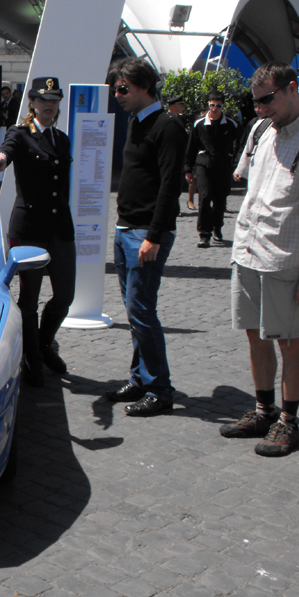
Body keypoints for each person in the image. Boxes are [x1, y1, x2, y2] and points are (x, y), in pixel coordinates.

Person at [221, 62, 299, 457]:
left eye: (267, 99)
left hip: (285, 258)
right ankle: (264, 410)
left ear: (292, 88)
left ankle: (288, 422)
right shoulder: (260, 129)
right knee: (253, 334)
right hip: (247, 249)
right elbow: (246, 181)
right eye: (255, 101)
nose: (260, 108)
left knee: (287, 340)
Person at [105, 57, 186, 416]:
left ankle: (159, 389)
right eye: (116, 89)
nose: (118, 95)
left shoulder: (168, 126)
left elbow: (170, 185)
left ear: (144, 87)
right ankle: (140, 377)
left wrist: (153, 236)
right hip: (126, 228)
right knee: (134, 309)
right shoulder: (135, 122)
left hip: (145, 234)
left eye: (123, 89)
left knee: (142, 310)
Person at [0, 76, 75, 387]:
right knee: (29, 300)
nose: (49, 104)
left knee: (64, 296)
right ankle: (33, 360)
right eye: (42, 99)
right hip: (29, 231)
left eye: (54, 99)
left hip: (59, 229)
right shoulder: (20, 134)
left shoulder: (62, 139)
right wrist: (0, 158)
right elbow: (7, 149)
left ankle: (42, 342)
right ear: (32, 104)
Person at [185, 91, 238, 247]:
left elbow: (239, 145)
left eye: (218, 105)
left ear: (223, 106)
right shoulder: (199, 124)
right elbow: (191, 147)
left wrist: (235, 165)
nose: (214, 108)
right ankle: (204, 233)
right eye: (212, 105)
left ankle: (217, 228)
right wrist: (188, 168)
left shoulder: (231, 125)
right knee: (205, 197)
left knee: (220, 200)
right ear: (208, 105)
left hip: (222, 167)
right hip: (204, 165)